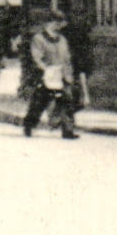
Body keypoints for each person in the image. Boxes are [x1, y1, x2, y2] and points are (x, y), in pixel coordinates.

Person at [23, 10, 78, 139]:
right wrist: (47, 70)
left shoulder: (62, 39)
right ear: (52, 22)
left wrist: (68, 74)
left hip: (62, 75)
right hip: (47, 76)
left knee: (67, 100)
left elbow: (67, 58)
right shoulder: (39, 39)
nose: (60, 27)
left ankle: (68, 130)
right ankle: (29, 124)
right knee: (39, 102)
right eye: (58, 23)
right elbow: (37, 57)